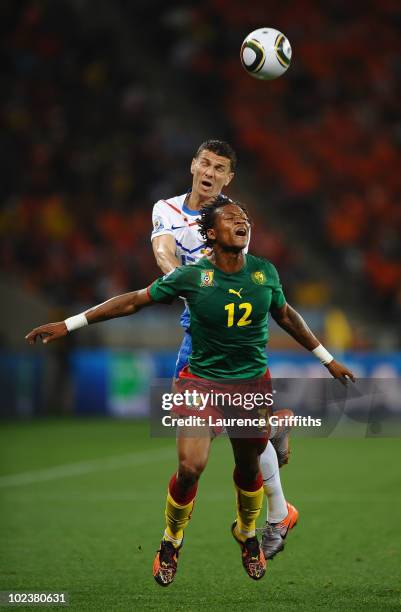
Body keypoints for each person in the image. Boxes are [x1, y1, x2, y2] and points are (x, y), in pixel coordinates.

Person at [26, 196, 355, 586]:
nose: (242, 222)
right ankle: (171, 541)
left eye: (245, 218)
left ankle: (248, 534)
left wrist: (326, 358)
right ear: (211, 234)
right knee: (190, 467)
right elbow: (133, 301)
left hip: (250, 385)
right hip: (200, 382)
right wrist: (69, 324)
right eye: (232, 218)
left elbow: (285, 315)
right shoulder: (193, 276)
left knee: (250, 468)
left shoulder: (265, 272)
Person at [151, 139, 298, 560]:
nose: (211, 173)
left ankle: (275, 514)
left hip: (228, 337)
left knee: (237, 440)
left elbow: (235, 276)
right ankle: (277, 506)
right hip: (194, 332)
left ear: (228, 178)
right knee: (215, 448)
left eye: (220, 168)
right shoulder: (166, 209)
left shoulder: (233, 219)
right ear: (193, 165)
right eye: (206, 163)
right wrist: (180, 280)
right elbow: (162, 251)